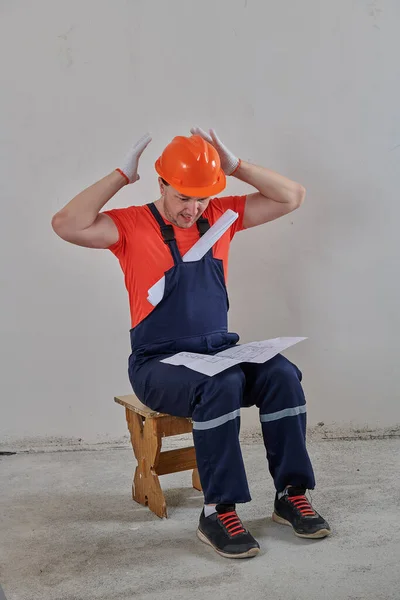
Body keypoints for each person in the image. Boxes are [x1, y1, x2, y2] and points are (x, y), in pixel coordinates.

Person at [52, 127, 331, 559]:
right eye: (183, 197)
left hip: (219, 350)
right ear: (161, 184)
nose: (193, 208)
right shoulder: (131, 225)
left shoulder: (220, 217)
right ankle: (218, 511)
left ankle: (291, 494)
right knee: (216, 385)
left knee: (281, 375)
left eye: (201, 197)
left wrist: (235, 166)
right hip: (158, 363)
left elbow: (291, 196)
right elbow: (66, 224)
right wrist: (119, 176)